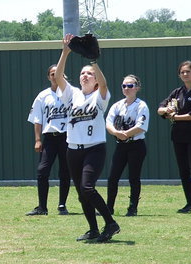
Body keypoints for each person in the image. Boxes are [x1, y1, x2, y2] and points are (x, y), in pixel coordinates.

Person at [54, 33, 120, 243]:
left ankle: (110, 223)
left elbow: (105, 83)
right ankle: (93, 229)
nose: (85, 76)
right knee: (81, 193)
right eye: (83, 73)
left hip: (94, 148)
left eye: (89, 74)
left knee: (87, 188)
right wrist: (65, 52)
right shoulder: (72, 94)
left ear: (95, 80)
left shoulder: (100, 97)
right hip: (73, 149)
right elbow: (58, 77)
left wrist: (93, 62)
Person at [157, 60, 191, 214]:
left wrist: (175, 117)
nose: (185, 74)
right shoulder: (177, 92)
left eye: (188, 71)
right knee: (183, 170)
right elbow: (161, 108)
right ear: (179, 75)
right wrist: (165, 110)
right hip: (178, 136)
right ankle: (189, 204)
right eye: (182, 72)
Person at [26, 64, 71, 216]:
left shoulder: (70, 93)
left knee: (65, 171)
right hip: (50, 138)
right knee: (42, 170)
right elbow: (37, 119)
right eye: (52, 73)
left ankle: (62, 205)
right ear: (48, 77)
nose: (55, 76)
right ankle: (42, 207)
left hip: (66, 137)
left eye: (58, 73)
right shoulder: (42, 96)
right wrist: (38, 140)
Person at [105, 75, 149, 217]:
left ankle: (132, 208)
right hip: (121, 145)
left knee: (133, 177)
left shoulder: (141, 105)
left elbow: (141, 126)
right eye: (124, 86)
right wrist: (117, 133)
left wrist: (125, 134)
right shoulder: (117, 105)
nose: (126, 88)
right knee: (112, 177)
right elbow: (108, 123)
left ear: (137, 87)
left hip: (136, 145)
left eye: (130, 86)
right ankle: (109, 208)